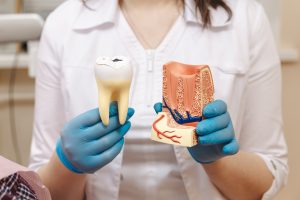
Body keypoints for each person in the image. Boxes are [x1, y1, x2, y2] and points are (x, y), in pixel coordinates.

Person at [29, 0, 288, 199]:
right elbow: (42, 190)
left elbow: (266, 178)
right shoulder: (63, 25)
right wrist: (67, 164)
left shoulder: (245, 19)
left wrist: (218, 161)